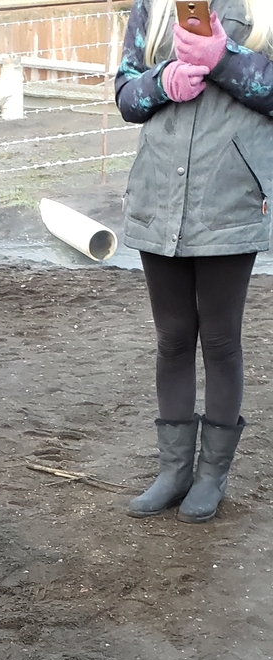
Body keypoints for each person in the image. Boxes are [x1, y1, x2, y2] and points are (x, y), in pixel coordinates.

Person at [116, 0, 273, 521]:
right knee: (174, 337)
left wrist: (223, 58)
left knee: (221, 339)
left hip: (227, 200)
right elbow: (126, 93)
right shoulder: (153, 7)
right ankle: (174, 472)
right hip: (159, 196)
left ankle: (211, 476)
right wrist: (162, 82)